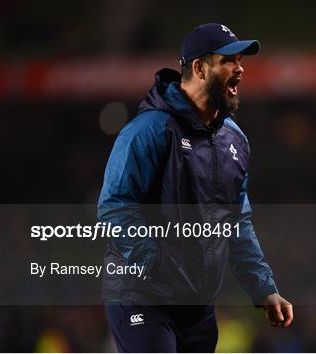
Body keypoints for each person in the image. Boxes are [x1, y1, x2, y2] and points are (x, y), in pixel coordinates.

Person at [97, 23, 293, 352]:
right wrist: (156, 264)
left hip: (197, 305)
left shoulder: (236, 140)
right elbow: (115, 207)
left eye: (241, 60)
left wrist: (263, 288)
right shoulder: (149, 130)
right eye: (229, 60)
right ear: (200, 68)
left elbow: (237, 223)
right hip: (143, 297)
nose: (240, 69)